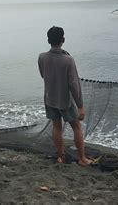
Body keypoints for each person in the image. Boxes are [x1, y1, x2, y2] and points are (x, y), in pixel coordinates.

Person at [38, 26, 92, 166]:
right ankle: (82, 158)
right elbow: (74, 85)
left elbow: (43, 75)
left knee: (57, 126)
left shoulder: (42, 57)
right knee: (76, 127)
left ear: (48, 40)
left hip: (50, 98)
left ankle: (60, 156)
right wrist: (80, 106)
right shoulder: (68, 60)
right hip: (65, 101)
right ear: (63, 40)